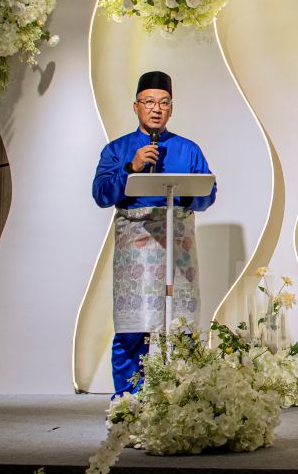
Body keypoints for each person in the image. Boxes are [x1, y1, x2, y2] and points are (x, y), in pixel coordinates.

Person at [92, 71, 217, 396]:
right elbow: (101, 194)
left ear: (171, 109)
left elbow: (208, 195)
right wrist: (131, 169)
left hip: (177, 244)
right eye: (149, 102)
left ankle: (186, 400)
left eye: (163, 103)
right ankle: (129, 403)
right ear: (136, 106)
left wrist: (185, 193)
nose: (156, 109)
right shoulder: (118, 149)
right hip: (136, 248)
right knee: (134, 327)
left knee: (182, 327)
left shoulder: (188, 150)